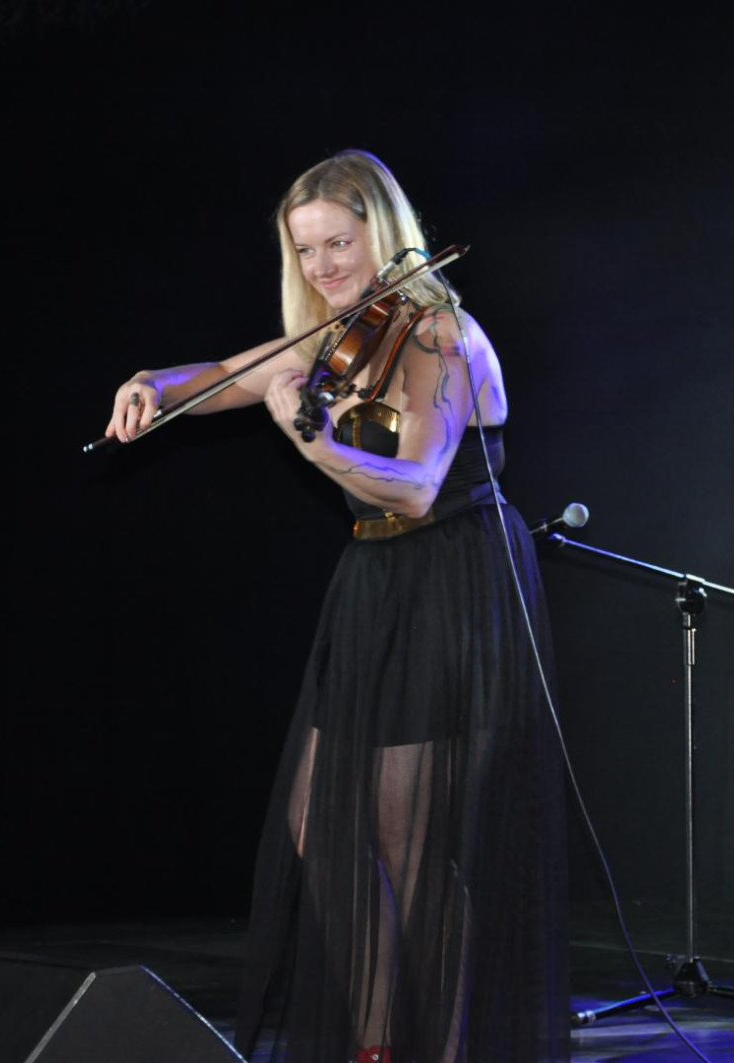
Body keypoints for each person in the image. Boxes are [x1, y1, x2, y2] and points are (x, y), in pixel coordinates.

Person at [104, 150, 567, 1063]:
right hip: (376, 580)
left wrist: (304, 437)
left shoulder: (438, 334)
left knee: (410, 841)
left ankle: (441, 1049)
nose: (322, 267)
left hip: (449, 576)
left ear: (382, 235)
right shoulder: (338, 334)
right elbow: (225, 374)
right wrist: (154, 383)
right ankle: (378, 1042)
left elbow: (416, 487)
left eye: (339, 244)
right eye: (305, 250)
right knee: (320, 822)